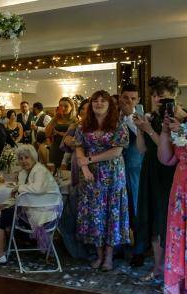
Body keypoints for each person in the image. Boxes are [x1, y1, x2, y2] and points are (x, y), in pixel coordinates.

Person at [75, 90, 130, 271]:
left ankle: (109, 257)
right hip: (91, 176)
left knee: (110, 214)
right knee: (95, 214)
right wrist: (84, 166)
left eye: (103, 101)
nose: (98, 104)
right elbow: (78, 147)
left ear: (109, 105)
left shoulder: (118, 124)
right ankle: (99, 255)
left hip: (113, 175)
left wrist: (90, 160)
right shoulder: (83, 125)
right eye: (95, 101)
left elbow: (117, 151)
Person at [0, 144, 60, 265]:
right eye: (20, 158)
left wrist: (18, 187)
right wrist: (3, 205)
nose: (23, 161)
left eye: (26, 157)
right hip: (32, 211)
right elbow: (21, 196)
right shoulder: (24, 173)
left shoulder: (40, 171)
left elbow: (37, 188)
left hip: (43, 216)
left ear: (33, 157)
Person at [131, 76, 178, 280]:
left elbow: (167, 149)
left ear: (173, 97)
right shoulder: (151, 118)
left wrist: (149, 130)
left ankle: (170, 268)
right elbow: (141, 150)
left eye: (162, 96)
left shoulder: (177, 119)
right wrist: (141, 129)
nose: (157, 99)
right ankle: (157, 267)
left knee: (164, 220)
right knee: (150, 219)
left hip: (168, 173)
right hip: (149, 170)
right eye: (155, 95)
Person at [158, 112, 187, 294]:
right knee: (179, 239)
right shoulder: (183, 124)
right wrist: (165, 132)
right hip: (180, 191)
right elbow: (166, 158)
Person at [118, 84, 144, 234]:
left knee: (135, 205)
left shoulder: (142, 116)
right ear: (120, 98)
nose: (129, 101)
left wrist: (129, 116)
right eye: (126, 98)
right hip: (115, 169)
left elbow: (142, 136)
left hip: (134, 169)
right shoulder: (113, 115)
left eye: (133, 99)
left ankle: (139, 246)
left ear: (138, 100)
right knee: (120, 207)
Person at [46, 97, 76, 170]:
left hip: (68, 151)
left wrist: (59, 133)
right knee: (54, 175)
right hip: (55, 149)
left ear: (71, 107)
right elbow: (47, 133)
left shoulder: (75, 120)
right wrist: (55, 117)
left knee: (67, 176)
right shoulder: (56, 119)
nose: (63, 108)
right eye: (61, 106)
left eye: (66, 106)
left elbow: (76, 137)